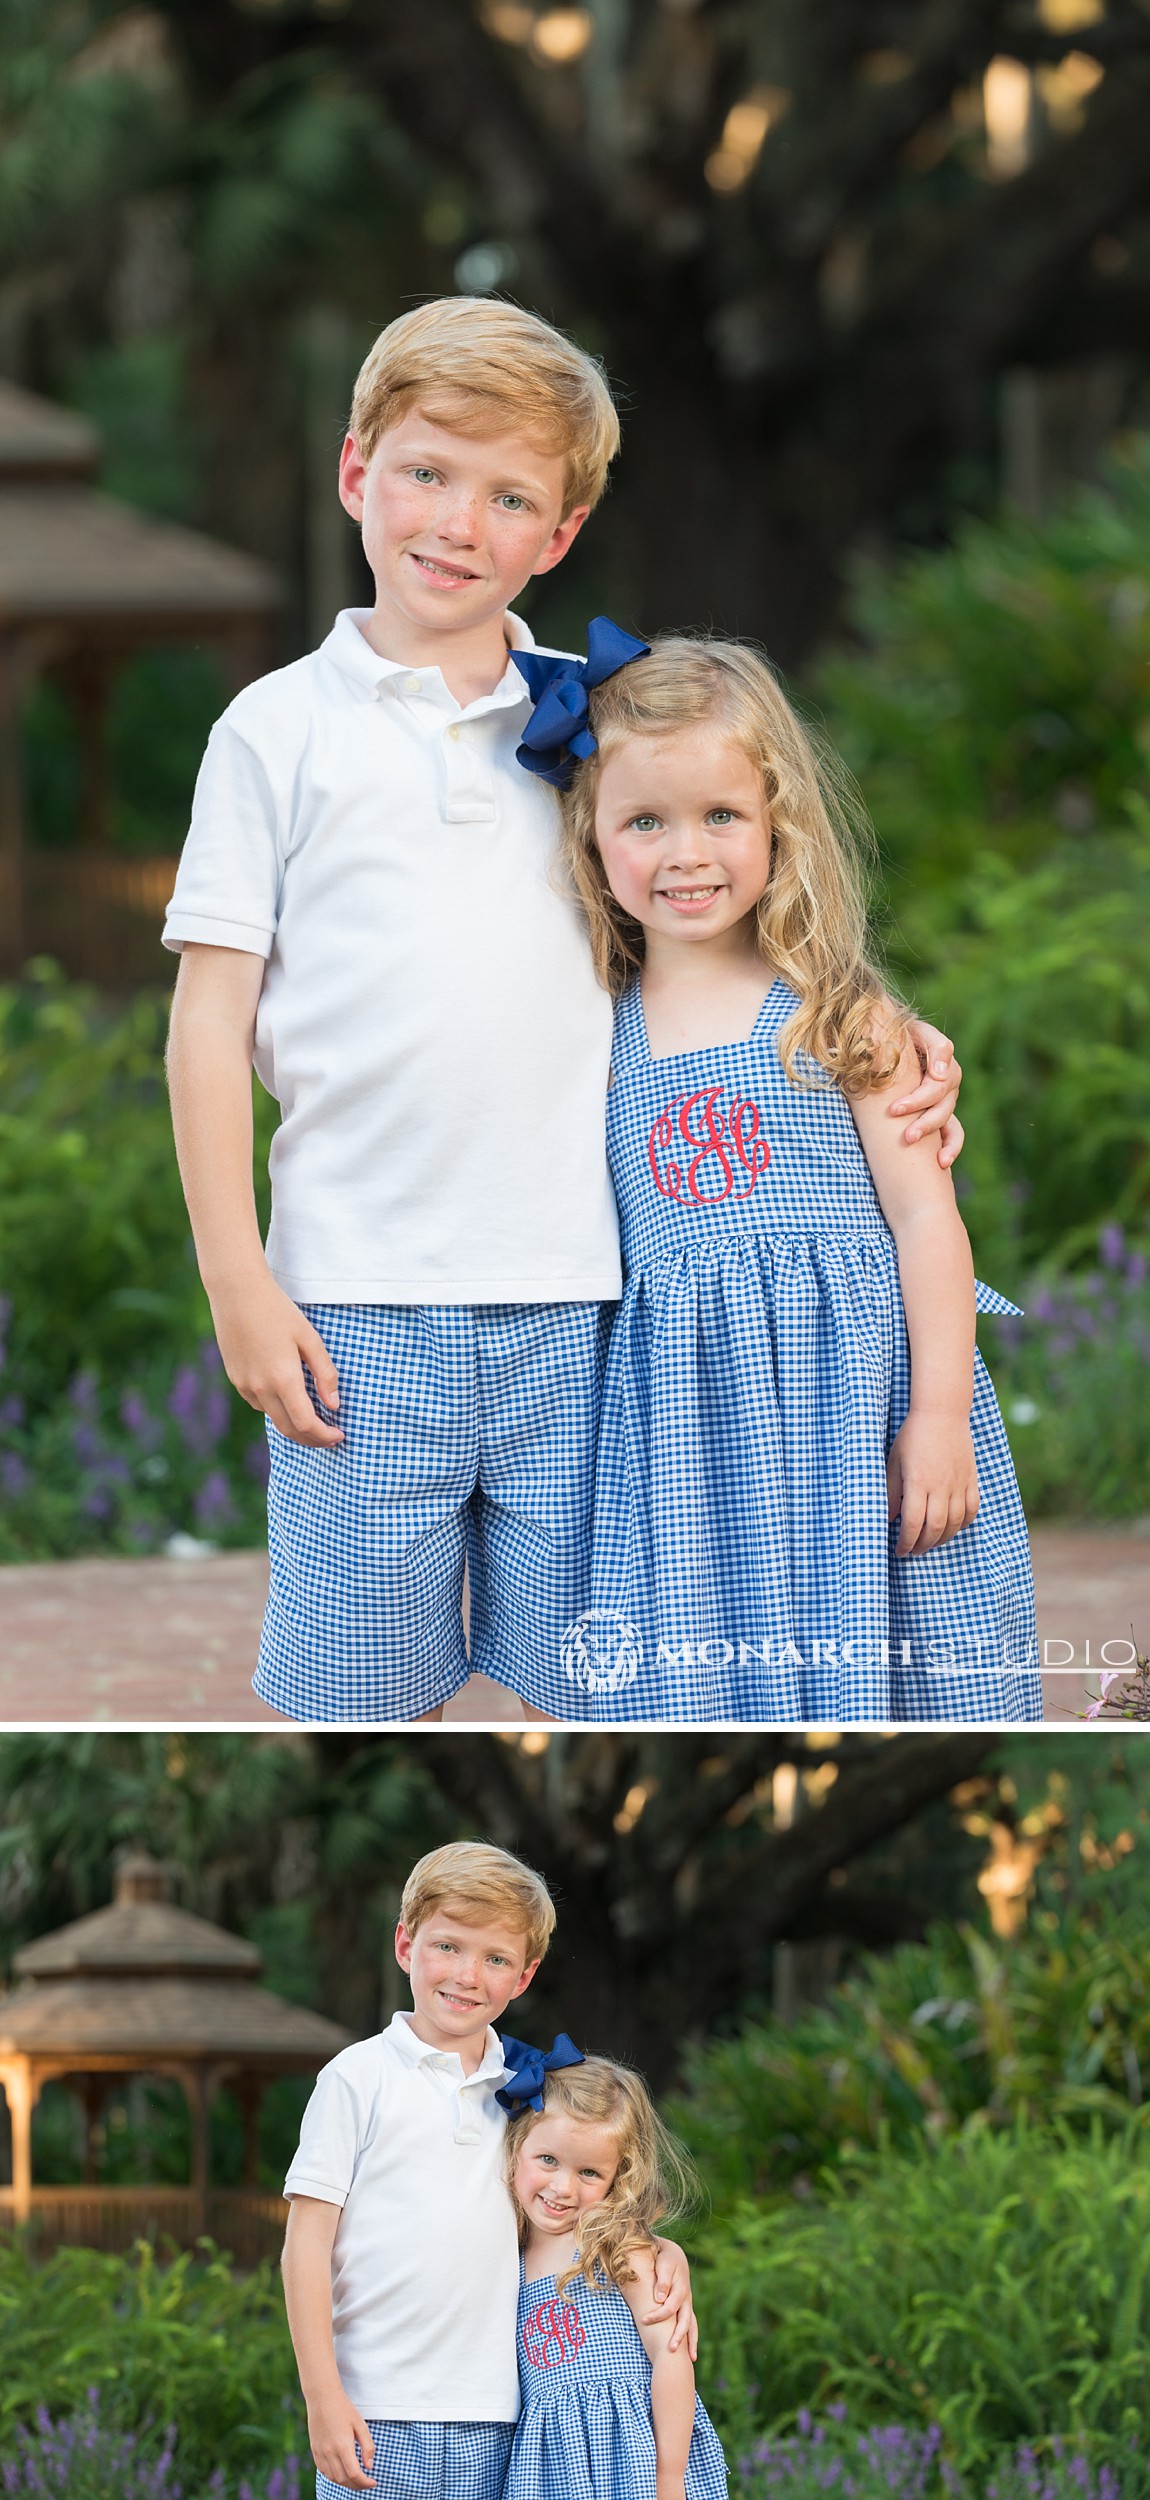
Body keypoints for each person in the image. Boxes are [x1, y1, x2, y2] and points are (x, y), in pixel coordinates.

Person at [163, 295, 964, 1723]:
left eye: (508, 495)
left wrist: (867, 1021)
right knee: (358, 1689)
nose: (457, 522)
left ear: (561, 532)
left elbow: (720, 879)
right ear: (356, 473)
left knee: (594, 1684)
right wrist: (238, 1277)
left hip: (591, 1308)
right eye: (425, 473)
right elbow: (207, 1024)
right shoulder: (275, 732)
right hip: (358, 1303)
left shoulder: (594, 725)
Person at [513, 632, 1040, 1722]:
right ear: (591, 836)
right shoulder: (588, 1034)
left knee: (898, 1649)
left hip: (860, 1405)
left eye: (720, 816)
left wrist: (937, 1413)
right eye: (644, 821)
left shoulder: (839, 1014)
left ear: (776, 822)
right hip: (688, 1434)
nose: (684, 852)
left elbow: (924, 1223)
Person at [280, 1840, 696, 2500]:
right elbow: (306, 2243)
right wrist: (322, 2394)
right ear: (405, 1946)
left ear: (524, 1977)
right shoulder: (357, 2079)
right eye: (448, 1946)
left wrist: (660, 2250)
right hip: (377, 2410)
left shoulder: (529, 2089)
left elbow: (570, 2200)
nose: (468, 1975)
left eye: (495, 1958)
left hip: (500, 2418)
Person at [503, 2051, 727, 2500]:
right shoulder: (509, 2253)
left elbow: (671, 2354)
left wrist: (669, 2477)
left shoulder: (613, 2240)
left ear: (617, 2176)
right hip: (551, 2467)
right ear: (516, 2149)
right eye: (547, 2159)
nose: (563, 2188)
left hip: (634, 2457)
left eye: (589, 2172)